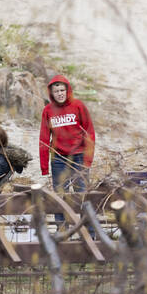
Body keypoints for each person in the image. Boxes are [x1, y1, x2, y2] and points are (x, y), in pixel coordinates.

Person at [38, 74, 96, 204]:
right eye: (56, 91)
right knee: (60, 196)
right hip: (58, 158)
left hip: (79, 156)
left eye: (62, 90)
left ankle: (84, 222)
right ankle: (61, 224)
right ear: (52, 93)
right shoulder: (48, 110)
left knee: (81, 194)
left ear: (68, 90)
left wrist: (88, 160)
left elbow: (90, 133)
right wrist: (44, 167)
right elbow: (44, 139)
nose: (60, 94)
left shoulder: (78, 106)